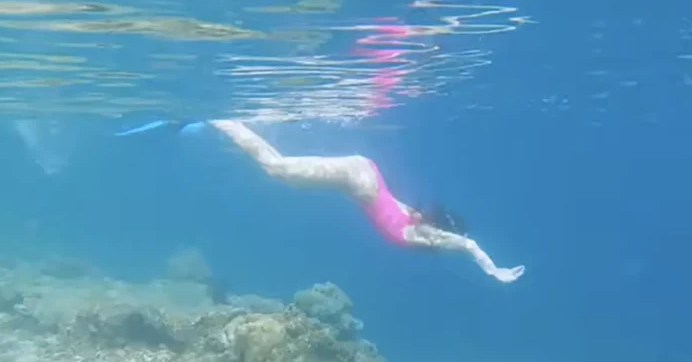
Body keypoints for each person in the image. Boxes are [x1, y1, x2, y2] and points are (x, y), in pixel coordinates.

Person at [207, 119, 525, 283]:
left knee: (284, 170)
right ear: (441, 232)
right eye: (450, 236)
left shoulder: (414, 221)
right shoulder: (423, 235)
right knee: (276, 168)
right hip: (356, 178)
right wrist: (493, 269)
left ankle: (248, 124)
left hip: (361, 174)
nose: (451, 241)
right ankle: (223, 121)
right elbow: (467, 246)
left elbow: (458, 240)